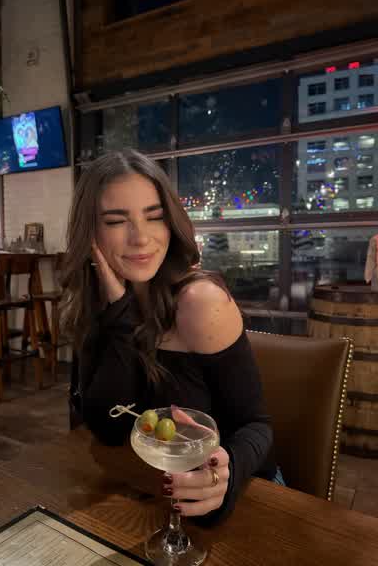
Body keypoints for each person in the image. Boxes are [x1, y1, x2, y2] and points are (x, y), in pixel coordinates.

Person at [61, 149, 280, 526]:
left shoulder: (200, 303)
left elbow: (258, 426)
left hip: (242, 495)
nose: (141, 238)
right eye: (116, 221)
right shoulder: (98, 305)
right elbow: (107, 426)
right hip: (153, 498)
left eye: (155, 216)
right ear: (91, 234)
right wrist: (120, 315)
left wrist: (224, 476)